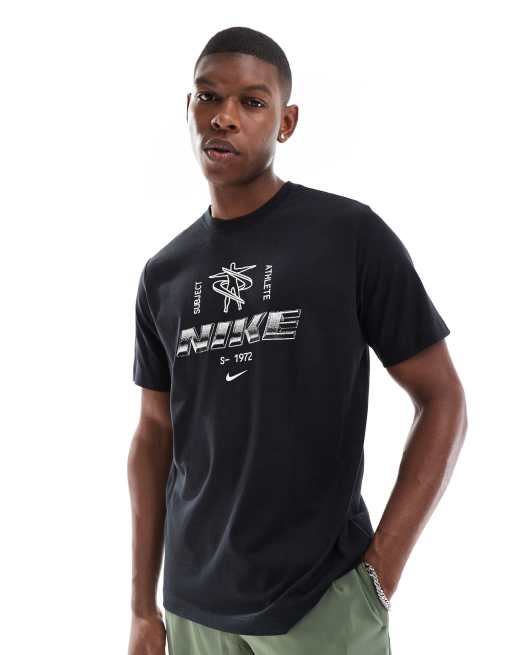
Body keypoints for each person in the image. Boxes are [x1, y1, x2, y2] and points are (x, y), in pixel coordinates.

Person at [127, 26, 468, 655]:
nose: (224, 117)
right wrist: (142, 608)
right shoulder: (164, 274)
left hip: (320, 605)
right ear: (189, 108)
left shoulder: (349, 236)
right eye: (208, 96)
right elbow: (154, 435)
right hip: (194, 610)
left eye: (252, 102)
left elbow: (442, 398)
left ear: (286, 123)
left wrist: (379, 575)